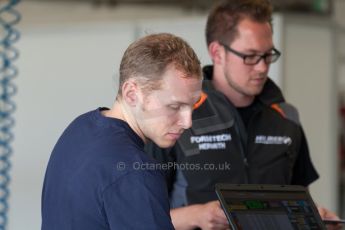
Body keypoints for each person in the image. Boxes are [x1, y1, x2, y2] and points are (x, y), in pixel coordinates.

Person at [146, 1, 341, 229]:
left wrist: (316, 221)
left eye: (268, 55)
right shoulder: (177, 116)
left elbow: (298, 205)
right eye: (250, 56)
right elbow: (137, 218)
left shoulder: (286, 117)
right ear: (217, 53)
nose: (261, 67)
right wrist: (195, 216)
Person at [41, 33, 203, 230]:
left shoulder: (79, 128)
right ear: (132, 94)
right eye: (175, 106)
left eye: (192, 106)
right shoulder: (136, 173)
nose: (187, 122)